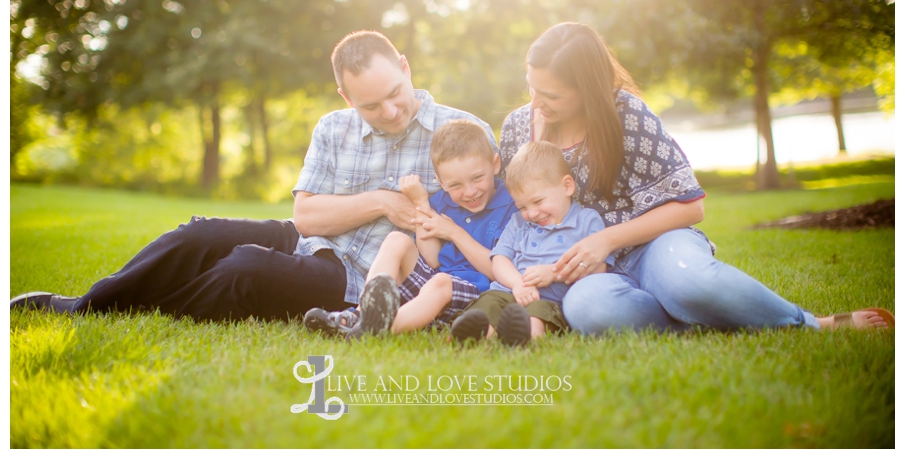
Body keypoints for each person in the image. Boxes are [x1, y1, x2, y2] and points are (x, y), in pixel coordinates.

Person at [10, 31, 497, 326]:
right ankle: (85, 304)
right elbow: (305, 217)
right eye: (371, 105)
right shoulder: (332, 127)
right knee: (200, 233)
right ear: (347, 99)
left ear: (406, 68)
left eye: (395, 92)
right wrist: (382, 202)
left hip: (364, 273)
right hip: (312, 238)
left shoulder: (462, 132)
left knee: (243, 268)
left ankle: (137, 307)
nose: (389, 111)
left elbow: (489, 212)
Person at [497, 22, 895, 334]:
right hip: (585, 276)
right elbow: (509, 213)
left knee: (689, 284)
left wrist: (606, 239)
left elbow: (691, 206)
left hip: (653, 244)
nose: (537, 103)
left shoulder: (627, 115)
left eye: (551, 95)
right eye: (533, 88)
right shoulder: (519, 128)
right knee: (589, 310)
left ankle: (808, 323)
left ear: (587, 88)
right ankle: (691, 324)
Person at [304, 119, 520, 337]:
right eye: (455, 185)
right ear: (442, 182)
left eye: (477, 178)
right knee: (397, 240)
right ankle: (360, 314)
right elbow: (432, 259)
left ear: (495, 165)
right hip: (433, 289)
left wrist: (455, 232)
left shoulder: (511, 206)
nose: (470, 192)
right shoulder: (444, 202)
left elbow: (497, 271)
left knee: (441, 282)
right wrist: (421, 203)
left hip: (475, 293)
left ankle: (375, 331)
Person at [450, 141, 606, 346]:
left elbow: (599, 268)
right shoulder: (518, 222)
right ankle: (477, 335)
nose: (531, 213)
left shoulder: (586, 221)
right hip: (509, 291)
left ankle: (525, 338)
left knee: (537, 314)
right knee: (488, 303)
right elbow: (499, 259)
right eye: (522, 206)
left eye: (538, 202)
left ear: (567, 186)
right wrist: (516, 284)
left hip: (548, 299)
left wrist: (553, 273)